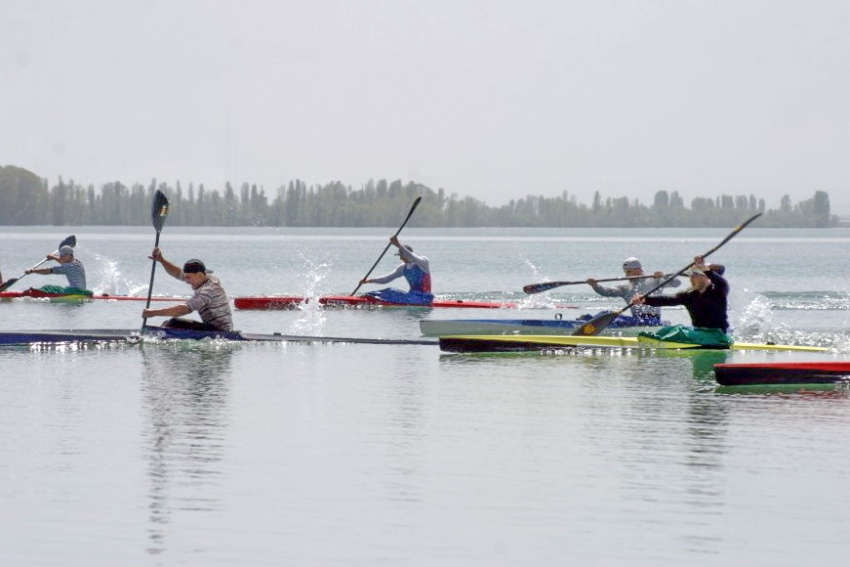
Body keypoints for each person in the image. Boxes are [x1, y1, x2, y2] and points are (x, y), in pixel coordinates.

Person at [631, 255, 731, 347]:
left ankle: (660, 341)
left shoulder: (718, 291)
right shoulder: (689, 295)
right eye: (690, 276)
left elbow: (721, 282)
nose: (690, 279)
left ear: (706, 277)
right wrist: (644, 299)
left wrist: (704, 267)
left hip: (717, 336)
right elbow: (667, 300)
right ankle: (656, 337)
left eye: (694, 275)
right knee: (667, 329)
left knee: (679, 332)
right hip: (698, 332)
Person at [142, 249, 233, 331]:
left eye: (188, 278)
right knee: (168, 324)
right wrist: (161, 260)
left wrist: (152, 313)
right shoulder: (204, 277)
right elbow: (177, 272)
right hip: (212, 327)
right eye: (185, 277)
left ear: (200, 275)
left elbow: (183, 310)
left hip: (221, 331)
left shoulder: (208, 291)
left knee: (173, 323)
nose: (186, 281)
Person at [585, 257, 680, 325]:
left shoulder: (655, 280)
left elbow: (677, 283)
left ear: (638, 270)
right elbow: (606, 292)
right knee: (605, 313)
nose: (626, 275)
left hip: (653, 321)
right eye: (625, 272)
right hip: (636, 321)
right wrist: (595, 285)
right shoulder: (625, 288)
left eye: (629, 272)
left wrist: (664, 276)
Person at [359, 236, 433, 305]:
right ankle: (367, 298)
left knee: (391, 292)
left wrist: (398, 245)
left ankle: (369, 300)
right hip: (411, 296)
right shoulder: (403, 268)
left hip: (424, 298)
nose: (400, 258)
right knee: (389, 290)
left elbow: (412, 257)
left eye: (401, 256)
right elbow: (386, 279)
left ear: (406, 255)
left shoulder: (423, 262)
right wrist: (369, 281)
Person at [24, 245, 89, 292]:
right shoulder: (77, 262)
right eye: (60, 256)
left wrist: (32, 271)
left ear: (68, 255)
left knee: (48, 288)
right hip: (81, 291)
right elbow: (63, 262)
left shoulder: (68, 267)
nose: (60, 257)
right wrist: (53, 257)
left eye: (62, 256)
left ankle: (34, 293)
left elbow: (48, 271)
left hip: (75, 292)